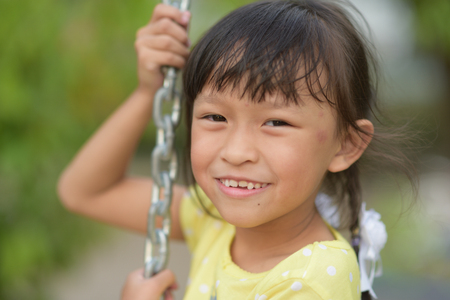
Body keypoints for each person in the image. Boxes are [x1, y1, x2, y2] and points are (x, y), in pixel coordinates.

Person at [58, 1, 415, 299]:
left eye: (276, 122)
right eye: (215, 116)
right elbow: (86, 192)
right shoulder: (212, 218)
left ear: (346, 145)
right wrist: (146, 92)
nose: (236, 151)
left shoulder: (313, 280)